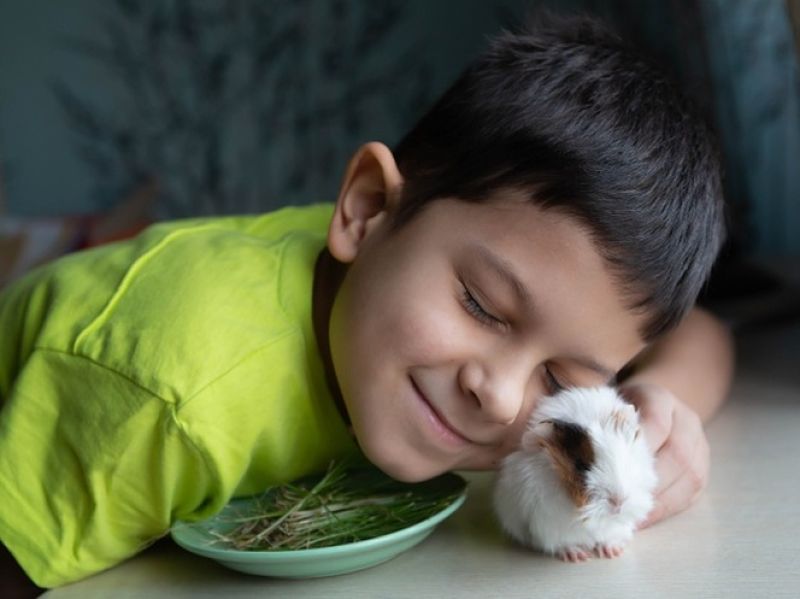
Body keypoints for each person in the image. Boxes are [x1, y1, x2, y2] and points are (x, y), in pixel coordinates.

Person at [0, 13, 734, 594]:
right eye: (481, 306)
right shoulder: (170, 398)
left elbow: (704, 334)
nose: (500, 394)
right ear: (366, 207)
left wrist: (656, 410)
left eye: (561, 379)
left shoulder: (401, 270)